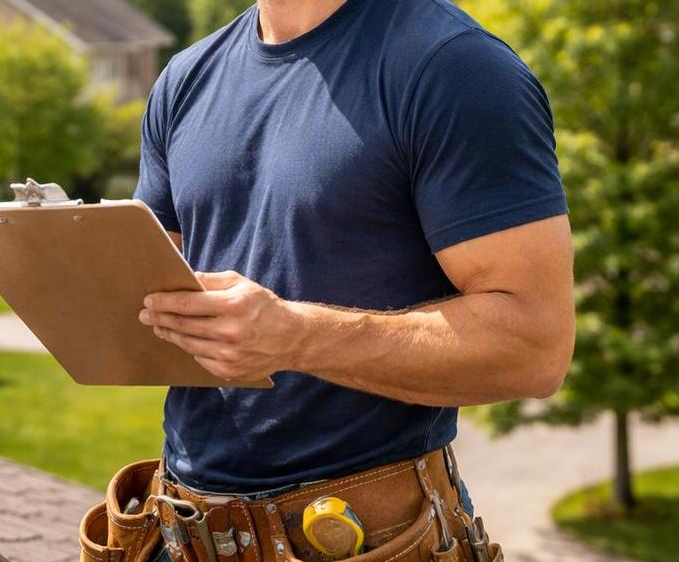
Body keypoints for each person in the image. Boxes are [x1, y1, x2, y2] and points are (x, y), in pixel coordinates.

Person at [131, 0, 574, 560]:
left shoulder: (456, 68)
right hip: (181, 528)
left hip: (369, 538)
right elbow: (151, 295)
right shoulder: (186, 77)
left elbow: (535, 346)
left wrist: (296, 337)